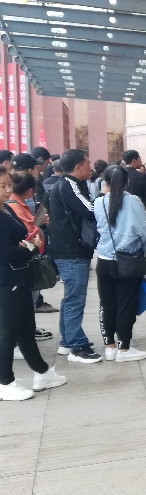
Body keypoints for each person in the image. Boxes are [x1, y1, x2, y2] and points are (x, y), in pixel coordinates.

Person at [0, 167, 67, 400]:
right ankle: (4, 381)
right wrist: (31, 248)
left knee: (26, 330)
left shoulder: (7, 208)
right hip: (7, 280)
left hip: (21, 277)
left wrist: (28, 242)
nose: (7, 190)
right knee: (8, 333)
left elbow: (15, 239)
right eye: (2, 186)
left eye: (8, 184)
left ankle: (43, 372)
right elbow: (5, 252)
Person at [47, 149, 102, 363]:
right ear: (78, 167)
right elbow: (90, 209)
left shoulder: (67, 185)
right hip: (71, 251)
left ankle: (67, 340)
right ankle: (76, 346)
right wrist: (106, 196)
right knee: (75, 298)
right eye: (88, 163)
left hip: (68, 249)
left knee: (71, 296)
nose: (90, 167)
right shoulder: (69, 185)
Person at [94, 166, 146, 362]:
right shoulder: (134, 201)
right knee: (126, 305)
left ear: (105, 182)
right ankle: (124, 348)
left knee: (107, 304)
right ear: (127, 182)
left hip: (104, 260)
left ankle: (109, 346)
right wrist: (141, 253)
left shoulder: (99, 202)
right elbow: (144, 232)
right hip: (128, 261)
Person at [7, 172, 58, 323]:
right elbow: (26, 232)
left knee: (31, 297)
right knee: (27, 298)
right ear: (30, 190)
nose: (7, 190)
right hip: (23, 258)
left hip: (28, 255)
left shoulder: (16, 205)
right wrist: (39, 224)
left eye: (8, 185)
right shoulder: (12, 206)